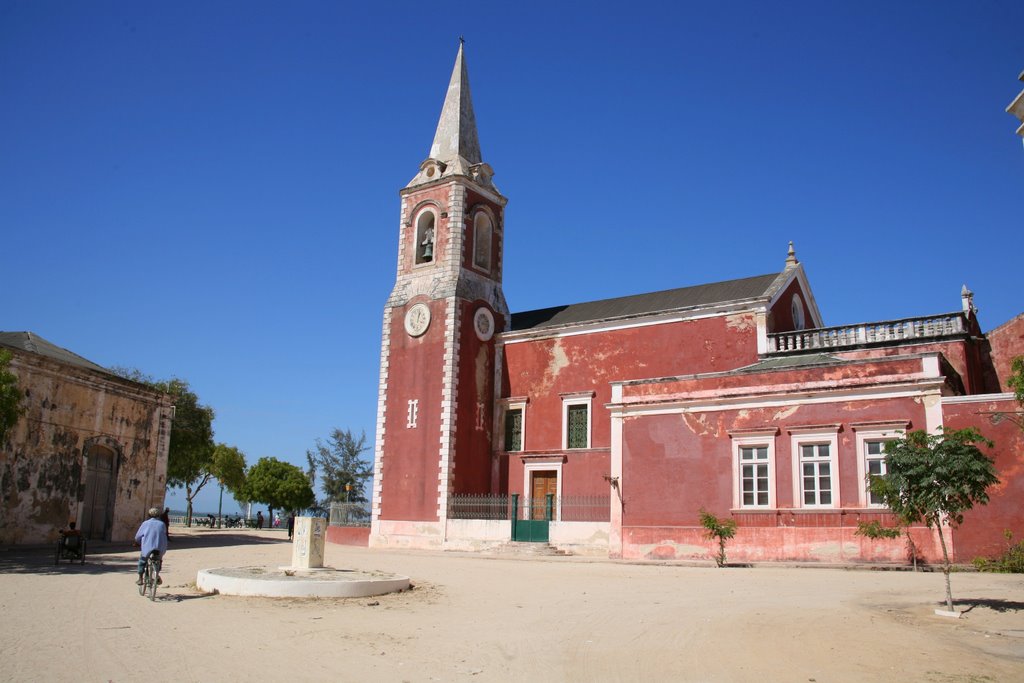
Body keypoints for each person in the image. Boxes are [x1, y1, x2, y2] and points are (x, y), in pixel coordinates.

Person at [134, 507, 168, 586]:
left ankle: (140, 578)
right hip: (160, 547)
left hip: (147, 547)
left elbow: (138, 536)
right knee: (158, 560)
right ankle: (156, 574)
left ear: (149, 515)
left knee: (142, 561)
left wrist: (137, 542)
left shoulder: (145, 523)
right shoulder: (162, 524)